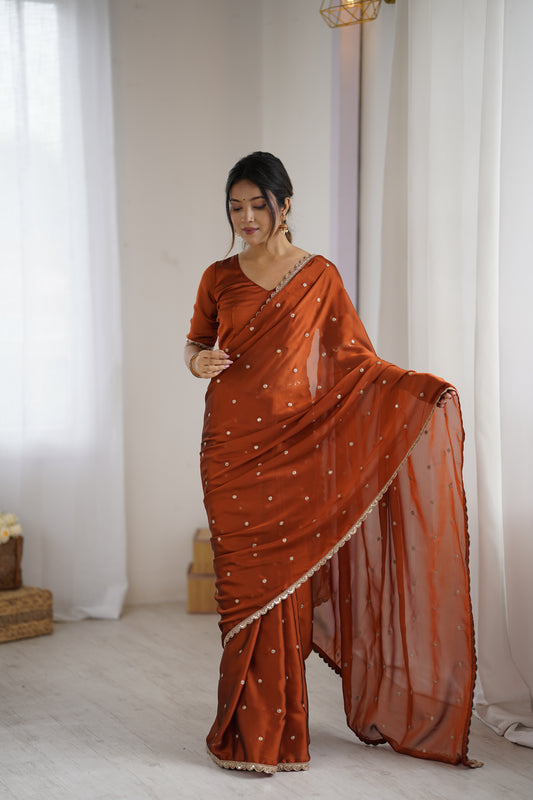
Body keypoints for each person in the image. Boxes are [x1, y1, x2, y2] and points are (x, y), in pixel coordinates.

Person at [185, 151, 477, 774]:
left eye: (257, 205)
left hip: (293, 449)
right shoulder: (219, 276)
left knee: (283, 584)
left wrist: (417, 391)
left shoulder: (319, 276)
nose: (245, 218)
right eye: (235, 208)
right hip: (230, 448)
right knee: (241, 589)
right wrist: (196, 361)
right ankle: (242, 727)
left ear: (284, 204)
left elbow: (356, 362)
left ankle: (273, 734)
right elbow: (196, 340)